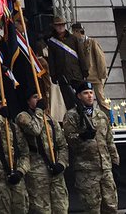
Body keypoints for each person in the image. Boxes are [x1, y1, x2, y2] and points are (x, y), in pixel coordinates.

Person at [62, 82, 118, 214]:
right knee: (92, 208)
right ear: (79, 96)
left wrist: (115, 162)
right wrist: (81, 136)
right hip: (87, 169)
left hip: (105, 167)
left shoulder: (101, 115)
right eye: (85, 93)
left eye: (91, 92)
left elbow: (109, 141)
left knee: (111, 206)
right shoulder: (72, 115)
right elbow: (68, 140)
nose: (90, 96)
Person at [15, 91, 68, 214]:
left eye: (40, 97)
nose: (39, 99)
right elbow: (35, 130)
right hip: (37, 171)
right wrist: (39, 110)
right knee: (41, 209)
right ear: (28, 101)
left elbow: (62, 145)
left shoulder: (50, 120)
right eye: (35, 97)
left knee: (61, 208)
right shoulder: (23, 117)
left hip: (55, 171)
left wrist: (61, 164)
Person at [46, 18, 84, 111]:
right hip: (62, 76)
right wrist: (53, 75)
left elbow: (81, 55)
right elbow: (51, 60)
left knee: (81, 99)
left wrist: (84, 70)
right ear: (55, 27)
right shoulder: (52, 42)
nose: (61, 27)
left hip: (76, 74)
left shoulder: (73, 39)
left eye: (62, 25)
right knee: (68, 102)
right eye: (58, 25)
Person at [70, 24, 110, 112]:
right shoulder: (75, 44)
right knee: (83, 99)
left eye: (73, 32)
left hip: (95, 76)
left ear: (77, 31)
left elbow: (100, 58)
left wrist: (102, 74)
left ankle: (108, 117)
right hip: (82, 77)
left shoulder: (92, 42)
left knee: (101, 100)